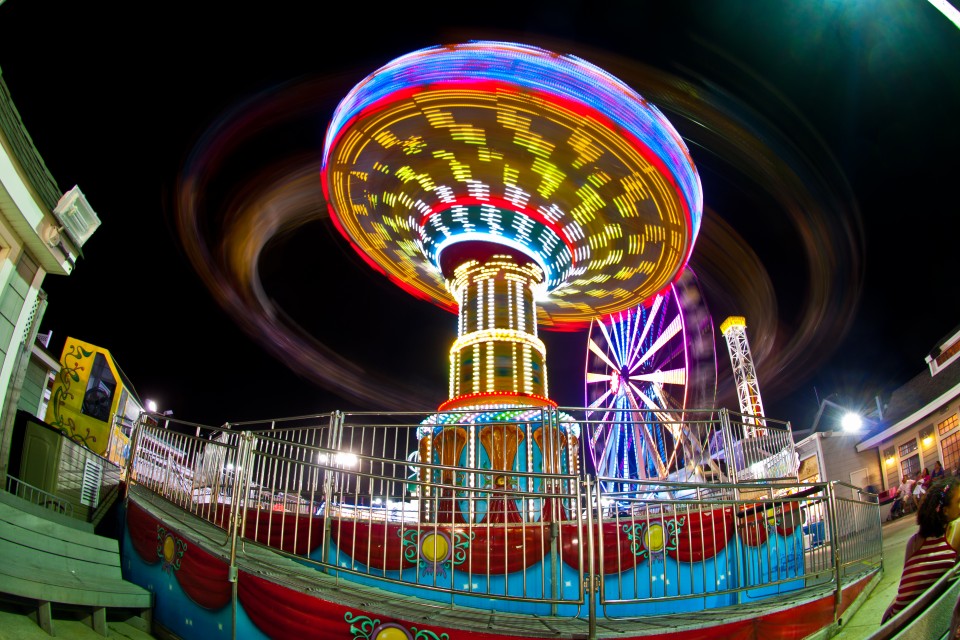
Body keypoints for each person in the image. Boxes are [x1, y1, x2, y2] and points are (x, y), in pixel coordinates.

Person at [882, 477, 960, 623]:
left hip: (896, 624)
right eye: (959, 502)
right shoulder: (954, 532)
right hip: (919, 626)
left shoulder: (914, 542)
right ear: (946, 511)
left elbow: (903, 590)